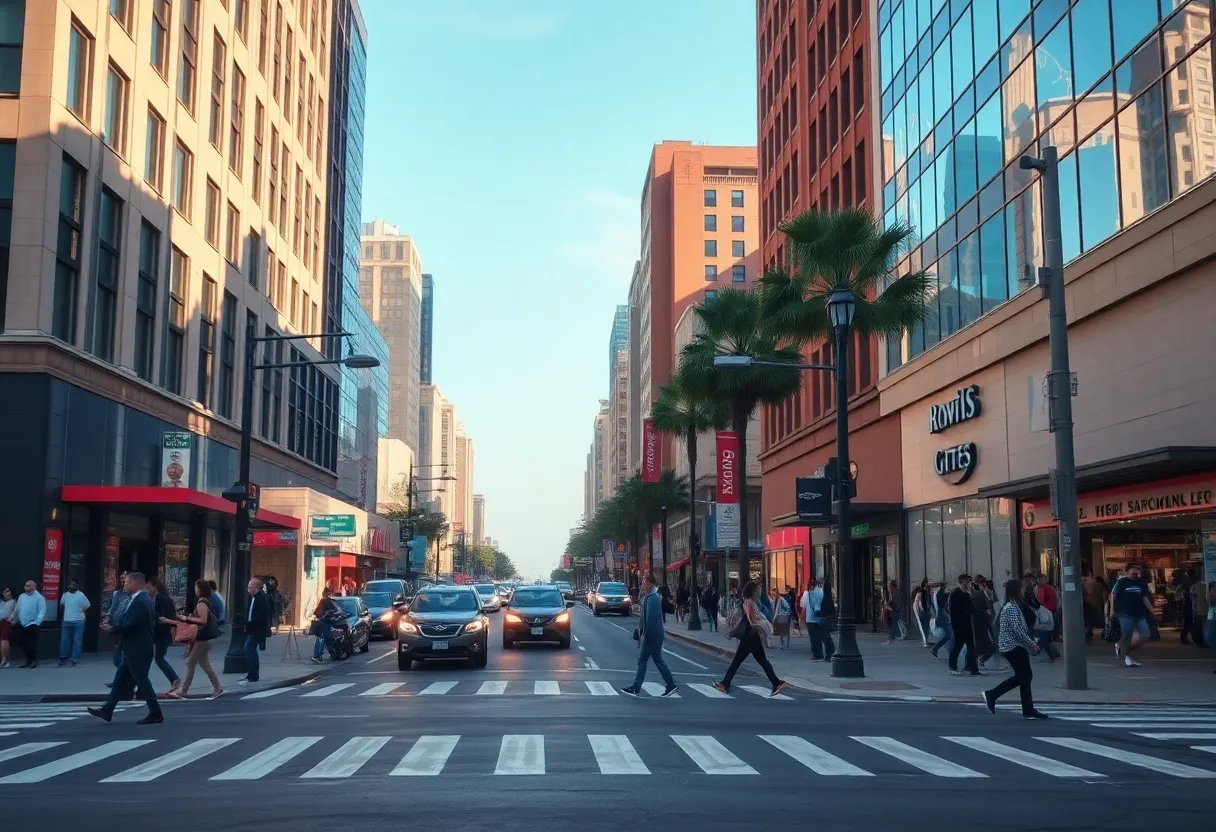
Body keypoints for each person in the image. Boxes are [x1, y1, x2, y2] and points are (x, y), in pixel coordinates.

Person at [88, 572, 163, 725]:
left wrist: (112, 629)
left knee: (142, 681)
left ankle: (155, 713)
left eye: (127, 582)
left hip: (138, 649)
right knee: (120, 680)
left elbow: (132, 626)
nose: (124, 585)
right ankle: (107, 711)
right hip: (133, 648)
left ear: (136, 583)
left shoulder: (141, 601)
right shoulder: (139, 599)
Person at [982, 578, 1048, 720]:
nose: (1024, 591)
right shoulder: (1010, 608)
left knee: (1026, 677)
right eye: (1022, 588)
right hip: (1012, 647)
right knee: (1023, 676)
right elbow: (1017, 630)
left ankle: (1027, 709)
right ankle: (992, 694)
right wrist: (1031, 644)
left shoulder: (1014, 606)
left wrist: (1028, 644)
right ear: (1016, 590)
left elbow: (1019, 629)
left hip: (1015, 646)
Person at [713, 581, 786, 696]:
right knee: (761, 660)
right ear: (753, 590)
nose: (760, 590)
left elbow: (752, 620)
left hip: (750, 636)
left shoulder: (750, 602)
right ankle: (776, 682)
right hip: (753, 636)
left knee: (737, 661)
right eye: (758, 588)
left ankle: (725, 684)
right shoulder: (751, 602)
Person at [621, 576, 678, 697]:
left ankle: (636, 688)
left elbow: (650, 618)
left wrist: (644, 633)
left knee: (642, 660)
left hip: (652, 635)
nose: (642, 584)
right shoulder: (651, 596)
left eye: (644, 582)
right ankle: (671, 684)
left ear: (650, 583)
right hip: (656, 634)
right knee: (657, 660)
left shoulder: (652, 598)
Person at [167, 579, 223, 699]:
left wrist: (185, 618)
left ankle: (184, 690)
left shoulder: (202, 603)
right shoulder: (207, 601)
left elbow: (202, 620)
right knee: (205, 663)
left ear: (199, 589)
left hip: (202, 637)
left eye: (196, 588)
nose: (195, 591)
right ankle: (218, 687)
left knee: (190, 662)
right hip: (204, 637)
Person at [1109, 563, 1154, 668]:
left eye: (1137, 570)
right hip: (1124, 612)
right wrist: (1112, 610)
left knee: (1146, 634)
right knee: (1127, 635)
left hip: (1139, 612)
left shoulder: (1141, 582)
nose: (1136, 572)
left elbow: (1144, 597)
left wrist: (1151, 609)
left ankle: (1123, 648)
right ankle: (1127, 656)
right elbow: (1113, 595)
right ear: (1127, 571)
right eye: (1133, 570)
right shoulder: (1121, 582)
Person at [147, 579, 181, 696]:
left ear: (155, 587)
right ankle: (174, 680)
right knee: (153, 658)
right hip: (154, 634)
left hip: (162, 633)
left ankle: (174, 679)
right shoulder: (151, 599)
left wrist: (154, 618)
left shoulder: (164, 599)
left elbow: (169, 616)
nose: (147, 590)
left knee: (159, 658)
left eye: (149, 587)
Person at [947, 574, 981, 676]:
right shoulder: (955, 594)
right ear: (962, 582)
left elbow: (972, 609)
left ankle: (973, 669)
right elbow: (953, 612)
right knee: (958, 645)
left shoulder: (966, 594)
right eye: (967, 581)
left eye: (970, 581)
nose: (969, 584)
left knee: (971, 647)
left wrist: (983, 612)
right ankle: (952, 666)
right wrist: (955, 626)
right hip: (958, 625)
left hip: (967, 625)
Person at [242, 577, 272, 685]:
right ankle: (252, 674)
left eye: (250, 587)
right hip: (252, 628)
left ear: (256, 588)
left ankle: (253, 675)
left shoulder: (262, 598)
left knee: (248, 649)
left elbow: (264, 615)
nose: (248, 589)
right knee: (250, 650)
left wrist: (252, 621)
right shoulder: (253, 597)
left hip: (258, 629)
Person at [57, 580, 91, 666]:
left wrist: (81, 610)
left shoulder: (81, 595)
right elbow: (62, 605)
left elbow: (87, 605)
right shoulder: (65, 595)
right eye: (70, 585)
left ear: (77, 586)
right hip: (67, 620)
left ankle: (74, 658)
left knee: (77, 640)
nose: (71, 587)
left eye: (73, 585)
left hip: (78, 621)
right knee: (65, 640)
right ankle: (63, 657)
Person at [14, 580, 46, 668]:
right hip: (22, 623)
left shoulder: (39, 597)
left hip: (32, 623)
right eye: (25, 585)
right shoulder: (22, 596)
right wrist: (13, 618)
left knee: (32, 643)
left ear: (34, 587)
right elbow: (17, 609)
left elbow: (42, 611)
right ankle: (29, 658)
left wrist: (37, 622)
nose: (26, 587)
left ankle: (33, 660)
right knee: (19, 641)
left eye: (28, 585)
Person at [970, 576, 997, 670]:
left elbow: (993, 600)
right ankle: (978, 662)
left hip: (987, 621)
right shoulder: (975, 595)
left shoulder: (987, 592)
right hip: (980, 623)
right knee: (987, 645)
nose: (984, 584)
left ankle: (977, 663)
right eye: (981, 583)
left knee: (989, 643)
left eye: (985, 582)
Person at [1034, 573, 1061, 660]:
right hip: (1047, 612)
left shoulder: (1048, 588)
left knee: (1047, 633)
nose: (1045, 580)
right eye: (1043, 579)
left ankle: (1044, 649)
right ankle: (1044, 649)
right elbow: (1040, 601)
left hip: (1049, 612)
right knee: (1047, 632)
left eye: (1045, 578)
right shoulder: (1043, 589)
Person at [311, 587, 341, 663]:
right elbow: (335, 611)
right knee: (322, 639)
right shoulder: (327, 602)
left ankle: (318, 655)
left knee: (322, 639)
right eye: (328, 593)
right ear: (327, 594)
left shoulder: (324, 601)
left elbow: (316, 613)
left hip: (323, 623)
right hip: (325, 623)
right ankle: (317, 655)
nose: (329, 594)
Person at [930, 582, 953, 659]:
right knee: (950, 635)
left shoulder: (935, 595)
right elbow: (944, 605)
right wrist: (948, 595)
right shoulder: (940, 594)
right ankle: (950, 650)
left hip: (940, 617)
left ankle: (935, 649)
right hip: (942, 618)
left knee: (948, 635)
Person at [912, 578, 932, 647]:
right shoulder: (921, 593)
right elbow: (919, 604)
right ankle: (925, 641)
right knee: (923, 628)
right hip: (922, 612)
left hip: (924, 612)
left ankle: (926, 640)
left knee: (926, 627)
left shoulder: (926, 593)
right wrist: (920, 612)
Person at [882, 579, 902, 643]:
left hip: (895, 609)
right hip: (895, 609)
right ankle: (893, 635)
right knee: (893, 622)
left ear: (892, 586)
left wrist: (887, 603)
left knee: (892, 622)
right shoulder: (894, 591)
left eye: (889, 586)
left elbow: (894, 601)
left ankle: (893, 635)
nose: (888, 588)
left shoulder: (894, 591)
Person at [0, 587, 14, 668]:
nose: (4, 593)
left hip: (6, 623)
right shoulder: (4, 602)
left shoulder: (11, 602)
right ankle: (3, 659)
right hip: (2, 622)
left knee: (4, 641)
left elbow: (4, 614)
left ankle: (5, 660)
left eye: (7, 591)